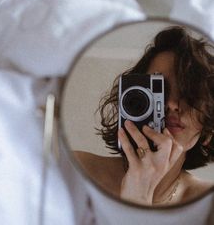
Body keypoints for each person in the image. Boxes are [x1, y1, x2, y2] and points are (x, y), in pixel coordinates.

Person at [74, 26, 214, 206]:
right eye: (160, 89)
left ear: (209, 128)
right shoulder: (76, 171)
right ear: (133, 97)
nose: (172, 104)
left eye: (190, 94)